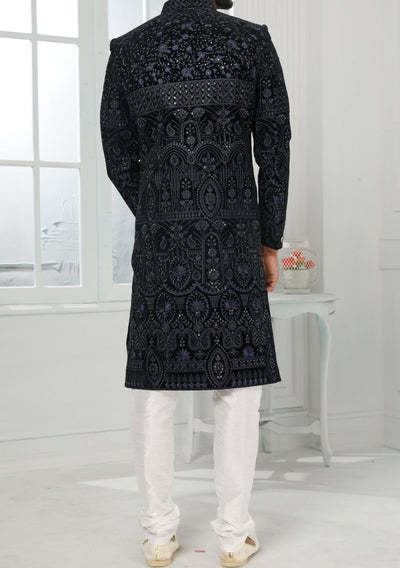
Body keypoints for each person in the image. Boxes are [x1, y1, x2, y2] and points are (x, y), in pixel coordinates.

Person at [100, 0, 291, 565]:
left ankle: (158, 534)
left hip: (162, 242)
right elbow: (274, 147)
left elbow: (118, 156)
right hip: (234, 237)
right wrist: (269, 238)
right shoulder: (251, 41)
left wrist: (158, 211)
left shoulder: (128, 51)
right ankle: (233, 536)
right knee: (239, 388)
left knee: (154, 390)